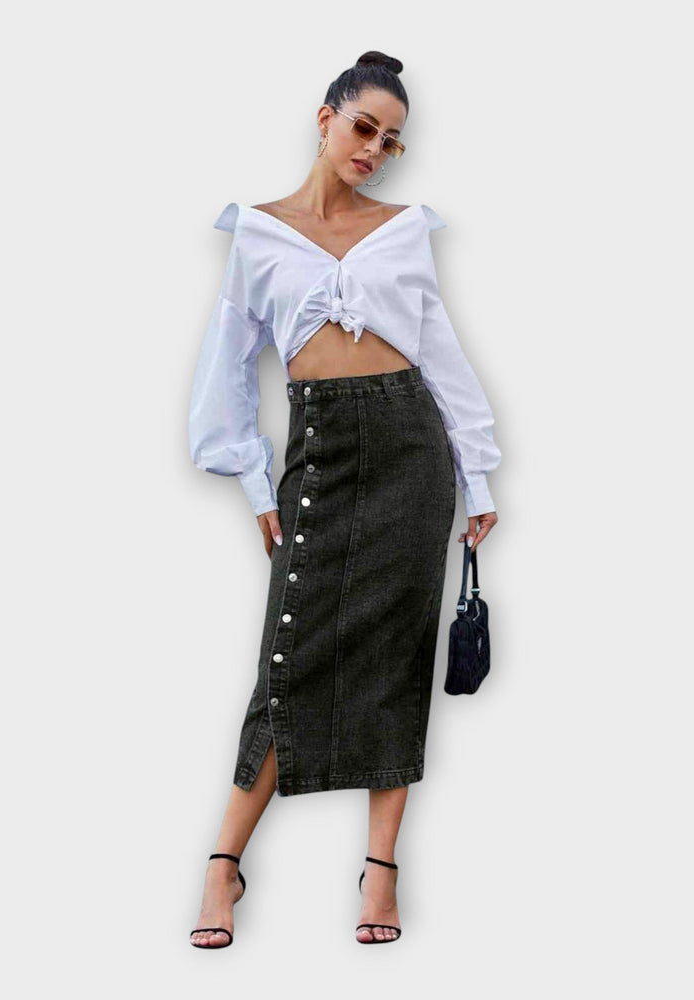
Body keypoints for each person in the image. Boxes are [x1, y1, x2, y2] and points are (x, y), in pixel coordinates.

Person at [186, 50, 501, 948]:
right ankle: (223, 864)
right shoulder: (259, 233)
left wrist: (478, 472)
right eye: (364, 127)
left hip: (411, 450)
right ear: (324, 118)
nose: (374, 149)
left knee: (397, 657)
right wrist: (257, 484)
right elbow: (227, 372)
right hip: (320, 446)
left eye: (391, 141)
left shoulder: (404, 231)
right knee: (288, 656)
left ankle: (380, 872)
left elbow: (440, 353)